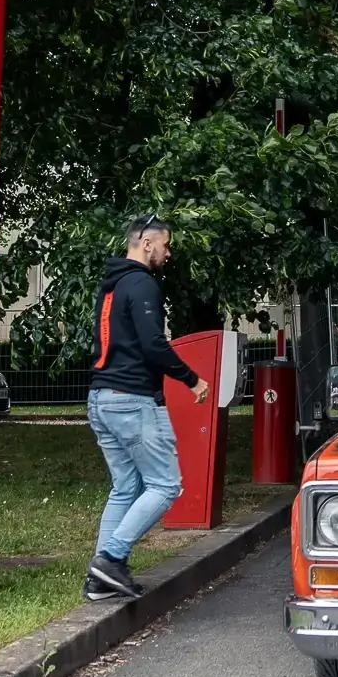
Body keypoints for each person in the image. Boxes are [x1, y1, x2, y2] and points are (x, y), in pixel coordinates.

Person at [82, 214, 210, 602]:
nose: (168, 253)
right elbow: (154, 345)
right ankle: (111, 558)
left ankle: (100, 580)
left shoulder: (113, 286)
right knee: (165, 485)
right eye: (165, 245)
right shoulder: (142, 284)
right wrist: (193, 379)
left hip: (101, 398)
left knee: (126, 487)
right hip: (130, 400)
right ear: (146, 243)